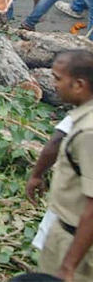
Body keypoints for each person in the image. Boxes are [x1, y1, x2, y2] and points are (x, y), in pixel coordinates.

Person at [37, 50, 93, 279]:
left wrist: (69, 265)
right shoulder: (82, 118)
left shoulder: (88, 133)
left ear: (79, 84)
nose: (54, 85)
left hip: (74, 241)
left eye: (58, 79)